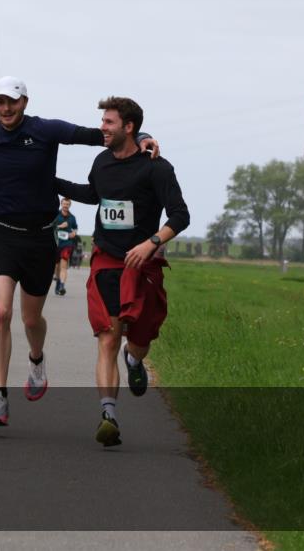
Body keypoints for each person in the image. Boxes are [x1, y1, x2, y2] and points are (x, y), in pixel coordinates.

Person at [0, 76, 157, 427]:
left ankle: (37, 358)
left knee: (30, 319)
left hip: (40, 238)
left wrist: (144, 138)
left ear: (24, 102)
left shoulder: (46, 130)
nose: (5, 108)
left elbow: (99, 135)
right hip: (1, 236)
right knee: (0, 313)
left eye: (11, 101)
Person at [55, 97, 188, 447]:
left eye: (109, 122)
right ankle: (108, 414)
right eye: (102, 121)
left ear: (128, 127)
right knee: (107, 338)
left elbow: (180, 215)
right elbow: (93, 194)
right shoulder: (101, 161)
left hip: (143, 264)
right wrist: (52, 183)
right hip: (107, 261)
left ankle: (135, 359)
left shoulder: (157, 168)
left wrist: (151, 243)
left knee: (140, 337)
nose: (102, 127)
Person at [51, 197, 78, 296]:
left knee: (63, 265)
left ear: (69, 205)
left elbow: (75, 228)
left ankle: (62, 285)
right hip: (56, 243)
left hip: (67, 244)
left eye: (67, 204)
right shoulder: (55, 215)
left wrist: (74, 233)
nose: (66, 206)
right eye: (64, 204)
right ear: (61, 204)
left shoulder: (72, 217)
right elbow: (50, 226)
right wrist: (60, 226)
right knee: (57, 266)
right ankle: (58, 283)